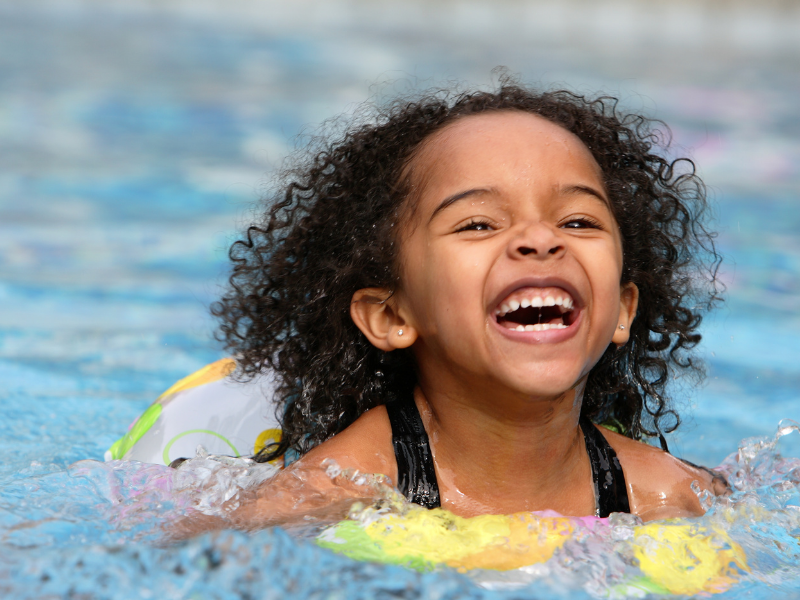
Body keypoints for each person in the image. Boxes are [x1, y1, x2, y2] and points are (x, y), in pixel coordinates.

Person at [200, 79, 725, 530]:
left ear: (622, 311)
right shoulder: (338, 489)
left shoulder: (666, 497)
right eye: (478, 224)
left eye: (578, 221)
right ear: (391, 316)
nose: (540, 239)